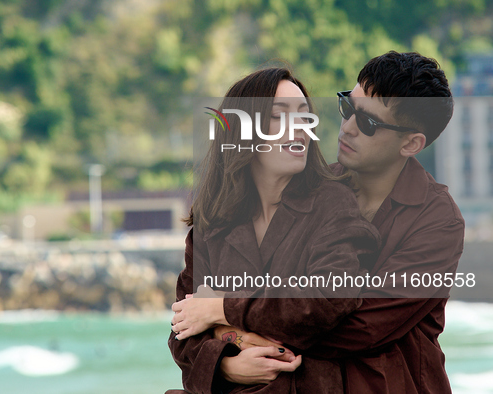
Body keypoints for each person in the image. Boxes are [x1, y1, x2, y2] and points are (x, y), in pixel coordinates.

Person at [172, 51, 464, 394]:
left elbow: (359, 326)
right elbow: (186, 322)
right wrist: (225, 366)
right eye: (348, 108)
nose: (348, 128)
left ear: (411, 143)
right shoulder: (303, 189)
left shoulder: (438, 223)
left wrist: (227, 316)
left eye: (368, 123)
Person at [168, 67, 380, 393]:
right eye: (279, 117)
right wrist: (227, 366)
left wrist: (221, 309)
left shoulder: (332, 202)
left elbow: (327, 299)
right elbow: (183, 327)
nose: (298, 128)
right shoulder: (214, 222)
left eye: (304, 116)